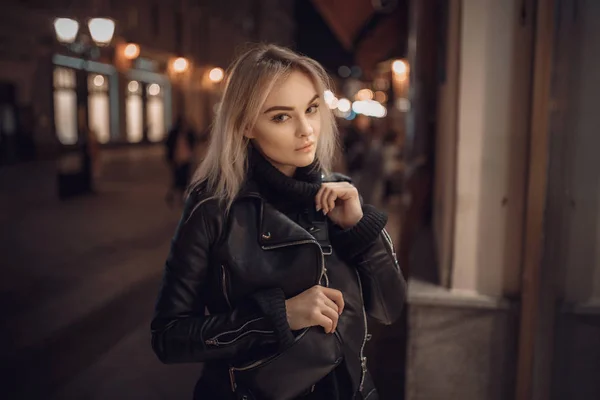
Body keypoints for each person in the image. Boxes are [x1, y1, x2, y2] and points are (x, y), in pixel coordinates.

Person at [151, 44, 406, 400]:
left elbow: (391, 309)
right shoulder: (213, 208)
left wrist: (360, 230)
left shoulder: (339, 193)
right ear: (245, 125)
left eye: (312, 109)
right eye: (281, 117)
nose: (307, 130)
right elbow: (169, 336)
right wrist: (277, 316)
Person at [165, 116, 196, 206]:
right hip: (177, 159)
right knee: (177, 180)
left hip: (186, 159)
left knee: (185, 179)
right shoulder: (174, 134)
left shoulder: (188, 134)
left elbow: (194, 139)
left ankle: (182, 197)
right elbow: (169, 146)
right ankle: (172, 195)